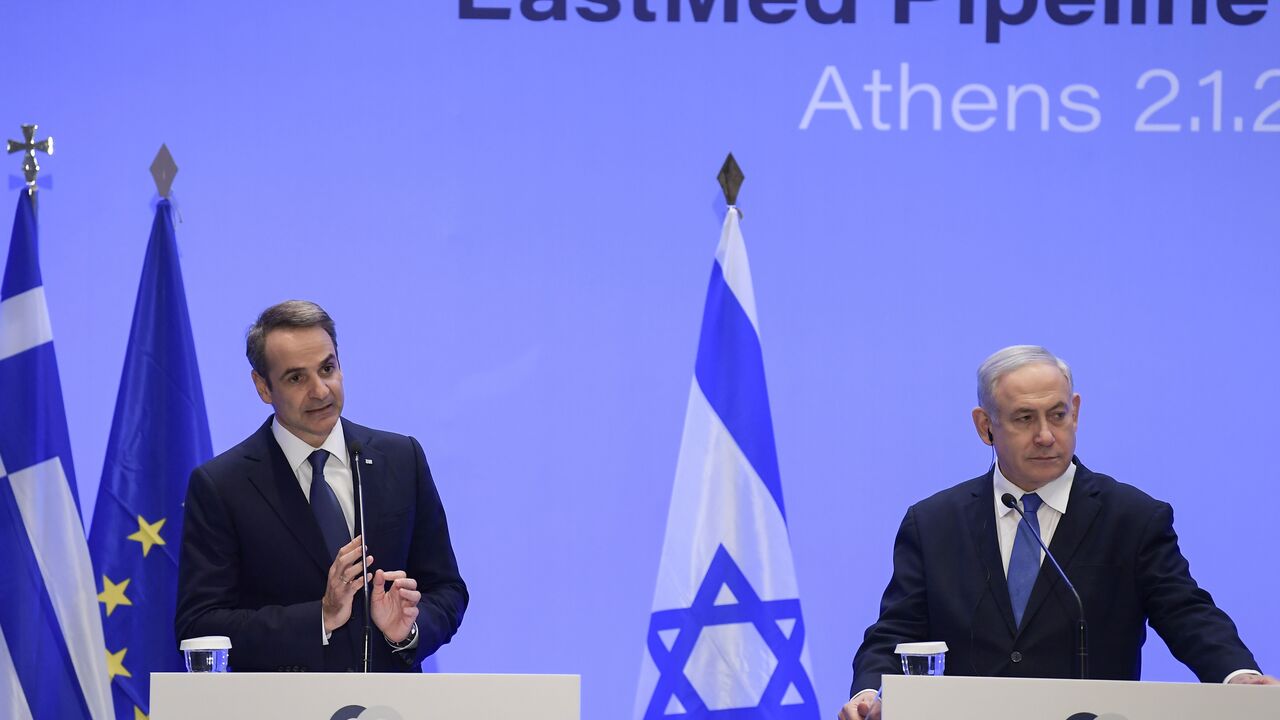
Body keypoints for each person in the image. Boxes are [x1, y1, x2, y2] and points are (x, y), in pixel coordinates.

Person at [839, 345, 1276, 720]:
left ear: (1076, 411)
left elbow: (1187, 613)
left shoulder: (1132, 518)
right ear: (984, 426)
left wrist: (1238, 676)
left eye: (1057, 414)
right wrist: (869, 695)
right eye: (1024, 418)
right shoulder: (934, 522)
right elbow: (895, 633)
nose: (1046, 435)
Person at [175, 300, 467, 672]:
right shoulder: (221, 485)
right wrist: (321, 617)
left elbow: (447, 589)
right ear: (263, 387)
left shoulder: (401, 458)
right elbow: (199, 626)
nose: (320, 390)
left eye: (327, 369)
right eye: (296, 378)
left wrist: (407, 631)